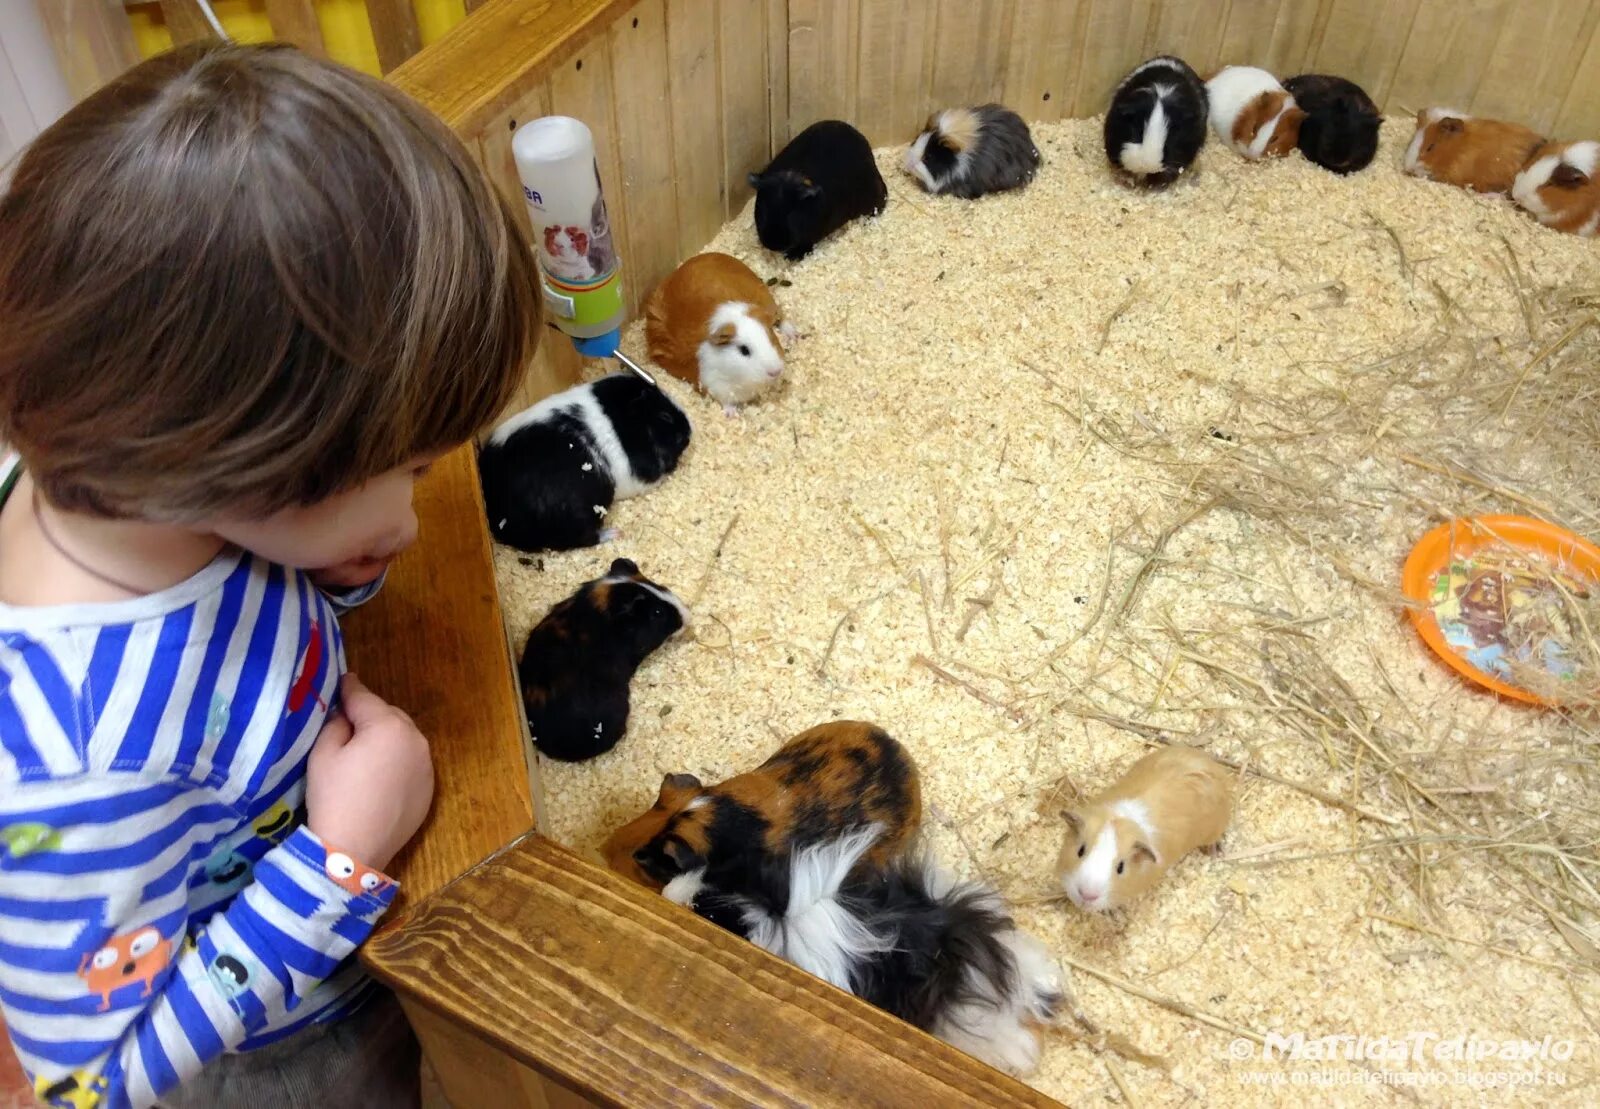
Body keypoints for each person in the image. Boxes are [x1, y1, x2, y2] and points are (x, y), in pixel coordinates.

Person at [0, 41, 539, 1107]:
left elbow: (254, 608)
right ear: (250, 469)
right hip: (281, 1039)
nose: (428, 502)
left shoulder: (139, 488)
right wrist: (338, 859)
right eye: (419, 467)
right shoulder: (84, 766)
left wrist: (335, 571)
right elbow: (87, 1082)